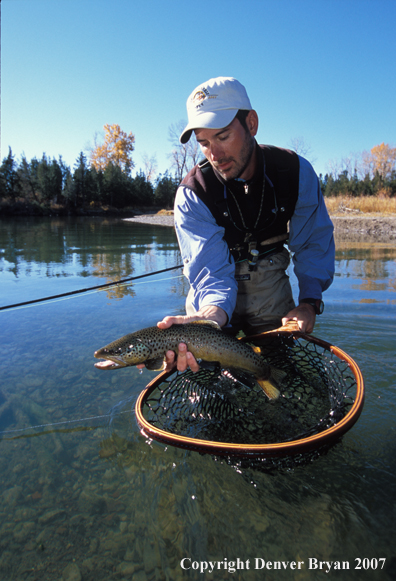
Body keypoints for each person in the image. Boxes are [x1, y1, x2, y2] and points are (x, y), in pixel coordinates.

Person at [157, 76, 335, 373]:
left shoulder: (296, 173)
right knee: (209, 378)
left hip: (270, 281)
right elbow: (211, 272)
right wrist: (210, 319)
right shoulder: (192, 194)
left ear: (251, 123)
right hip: (211, 295)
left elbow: (313, 243)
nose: (215, 155)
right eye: (204, 143)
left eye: (223, 136)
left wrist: (309, 302)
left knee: (277, 369)